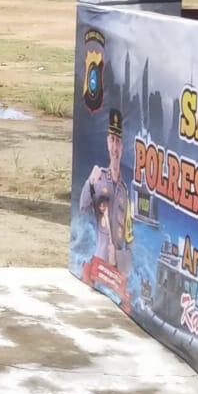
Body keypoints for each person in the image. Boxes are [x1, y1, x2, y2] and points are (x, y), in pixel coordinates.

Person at [80, 109, 133, 272]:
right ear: (107, 142)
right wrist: (90, 182)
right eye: (112, 140)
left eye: (118, 141)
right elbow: (83, 207)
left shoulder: (125, 192)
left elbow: (129, 244)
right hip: (98, 266)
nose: (115, 148)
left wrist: (118, 256)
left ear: (122, 147)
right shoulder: (99, 177)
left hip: (115, 274)